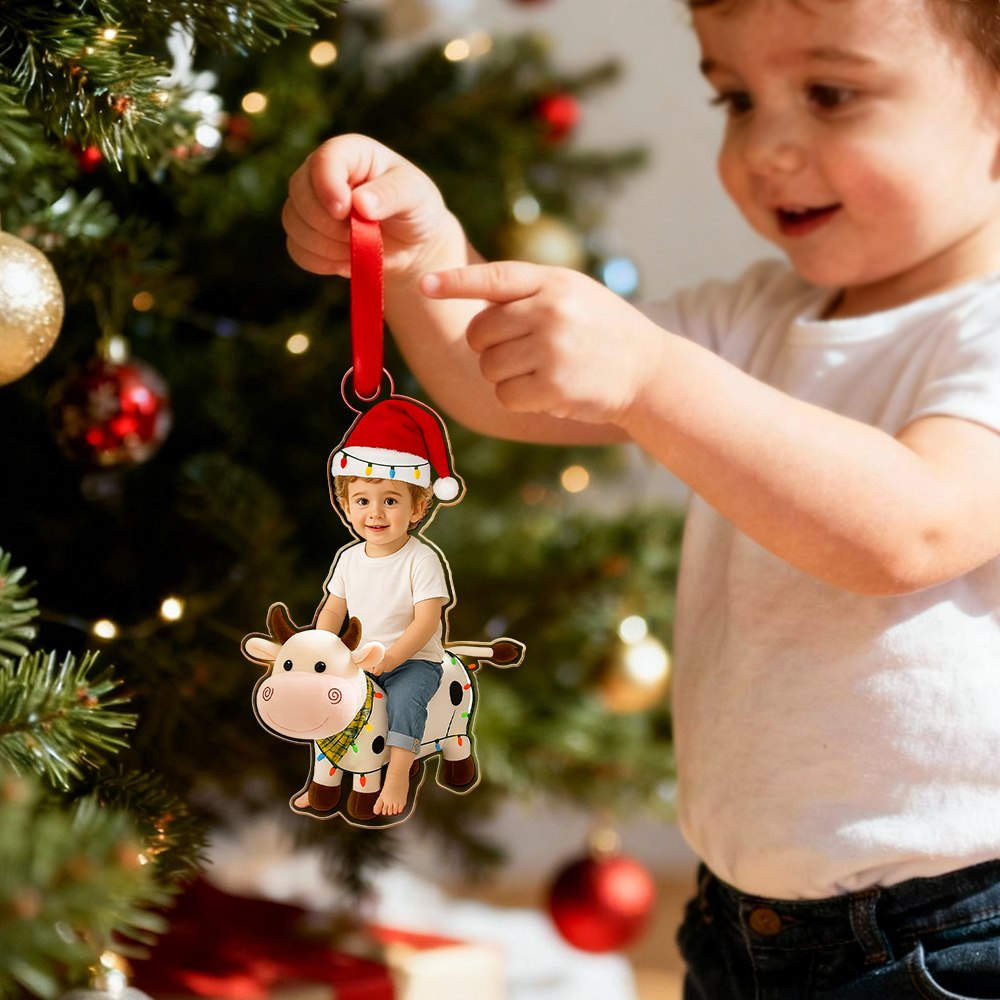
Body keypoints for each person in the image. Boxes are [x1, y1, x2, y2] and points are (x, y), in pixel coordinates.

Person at [283, 0, 1000, 993]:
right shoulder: (753, 315)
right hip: (742, 920)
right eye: (734, 98)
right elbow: (511, 391)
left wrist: (655, 377)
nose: (765, 147)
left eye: (831, 94)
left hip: (960, 929)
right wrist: (414, 253)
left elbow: (909, 529)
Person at [313, 398, 461, 819]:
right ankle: (323, 781)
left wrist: (394, 657)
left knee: (404, 700)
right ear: (345, 505)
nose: (374, 512)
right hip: (358, 662)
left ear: (417, 508)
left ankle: (398, 771)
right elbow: (332, 609)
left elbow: (427, 619)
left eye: (390, 501)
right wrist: (324, 647)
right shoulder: (348, 558)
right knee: (326, 700)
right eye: (362, 501)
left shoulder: (421, 560)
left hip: (412, 660)